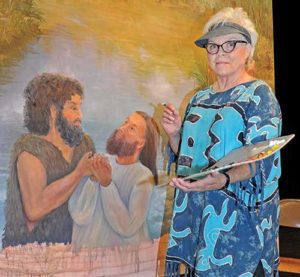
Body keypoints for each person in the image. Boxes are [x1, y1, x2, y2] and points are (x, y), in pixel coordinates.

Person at [161, 7, 282, 277]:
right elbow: (187, 158)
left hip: (240, 223)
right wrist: (173, 134)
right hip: (197, 213)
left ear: (247, 49)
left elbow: (260, 161)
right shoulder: (199, 97)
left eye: (230, 44)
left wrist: (223, 180)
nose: (220, 53)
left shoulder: (259, 95)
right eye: (213, 47)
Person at [2, 73, 95, 247]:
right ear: (53, 111)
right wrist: (79, 172)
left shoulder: (84, 145)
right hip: (29, 253)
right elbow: (34, 210)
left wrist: (104, 180)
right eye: (73, 108)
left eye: (80, 107)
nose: (80, 116)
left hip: (75, 251)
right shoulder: (29, 149)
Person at [69, 111, 160, 248]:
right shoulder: (104, 162)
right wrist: (93, 180)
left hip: (122, 261)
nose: (121, 128)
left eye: (131, 128)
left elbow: (128, 227)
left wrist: (106, 184)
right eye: (125, 122)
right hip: (89, 258)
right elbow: (80, 214)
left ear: (141, 143)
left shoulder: (143, 176)